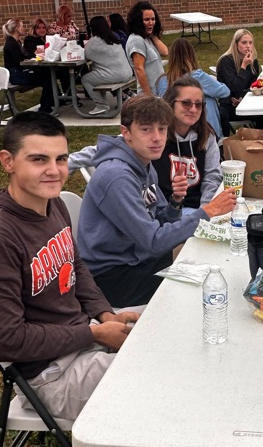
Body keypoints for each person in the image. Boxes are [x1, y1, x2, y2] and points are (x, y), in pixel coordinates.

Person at [0, 111, 216, 447]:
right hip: (49, 372)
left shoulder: (52, 204)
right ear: (7, 161)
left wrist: (104, 314)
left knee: (185, 337)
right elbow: (7, 341)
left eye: (61, 159)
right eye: (38, 159)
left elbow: (76, 268)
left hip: (83, 335)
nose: (54, 171)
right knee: (170, 384)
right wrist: (95, 334)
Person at [77, 95, 237, 307]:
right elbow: (154, 242)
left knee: (210, 256)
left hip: (138, 258)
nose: (157, 138)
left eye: (162, 129)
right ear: (126, 132)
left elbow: (160, 220)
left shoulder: (143, 163)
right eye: (146, 129)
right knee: (206, 285)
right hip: (112, 278)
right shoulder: (117, 176)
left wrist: (175, 202)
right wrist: (207, 212)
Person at [154, 75, 225, 210]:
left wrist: (204, 211)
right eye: (186, 103)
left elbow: (212, 176)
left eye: (198, 104)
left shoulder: (206, 135)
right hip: (162, 209)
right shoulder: (157, 134)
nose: (193, 109)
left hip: (197, 208)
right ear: (171, 103)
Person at [156, 38, 231, 139]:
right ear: (191, 55)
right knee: (209, 100)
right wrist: (213, 83)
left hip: (172, 132)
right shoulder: (198, 77)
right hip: (202, 129)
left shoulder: (162, 81)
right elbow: (224, 91)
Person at [2, 17, 58, 115]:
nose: (24, 29)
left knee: (47, 76)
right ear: (16, 29)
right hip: (15, 74)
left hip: (19, 72)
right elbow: (18, 62)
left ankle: (48, 106)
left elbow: (24, 56)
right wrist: (32, 57)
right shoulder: (11, 44)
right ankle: (45, 108)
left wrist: (33, 55)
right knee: (47, 78)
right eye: (22, 26)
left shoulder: (17, 42)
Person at [81, 16, 133, 115]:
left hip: (116, 75)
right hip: (127, 72)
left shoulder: (94, 41)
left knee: (85, 79)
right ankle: (103, 102)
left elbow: (86, 55)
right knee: (97, 72)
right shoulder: (113, 36)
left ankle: (101, 105)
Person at [216, 28, 260, 135]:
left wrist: (243, 97)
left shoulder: (253, 62)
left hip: (246, 101)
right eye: (244, 43)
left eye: (250, 43)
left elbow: (253, 86)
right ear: (236, 44)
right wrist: (244, 66)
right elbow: (234, 87)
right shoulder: (226, 61)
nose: (248, 46)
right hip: (230, 106)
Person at [125, 1, 169, 95]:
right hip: (150, 95)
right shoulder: (136, 40)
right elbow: (139, 69)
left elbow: (165, 52)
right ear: (138, 21)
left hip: (160, 91)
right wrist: (148, 95)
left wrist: (153, 35)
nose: (151, 23)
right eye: (147, 19)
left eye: (153, 19)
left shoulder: (148, 38)